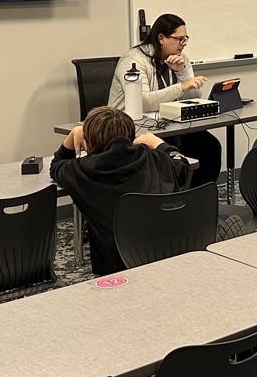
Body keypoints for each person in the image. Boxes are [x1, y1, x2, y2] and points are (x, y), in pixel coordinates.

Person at [50, 106, 192, 276]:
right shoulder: (152, 158)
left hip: (115, 270)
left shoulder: (80, 171)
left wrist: (74, 133)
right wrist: (159, 144)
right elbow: (182, 166)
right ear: (132, 138)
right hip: (165, 258)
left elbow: (57, 164)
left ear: (88, 142)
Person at [109, 13, 222, 188]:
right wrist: (181, 86)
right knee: (167, 159)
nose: (183, 45)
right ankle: (169, 206)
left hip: (166, 126)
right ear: (161, 38)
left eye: (185, 39)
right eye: (179, 39)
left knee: (210, 148)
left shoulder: (181, 59)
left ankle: (198, 203)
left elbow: (194, 97)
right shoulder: (134, 60)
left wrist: (181, 73)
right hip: (132, 130)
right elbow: (144, 102)